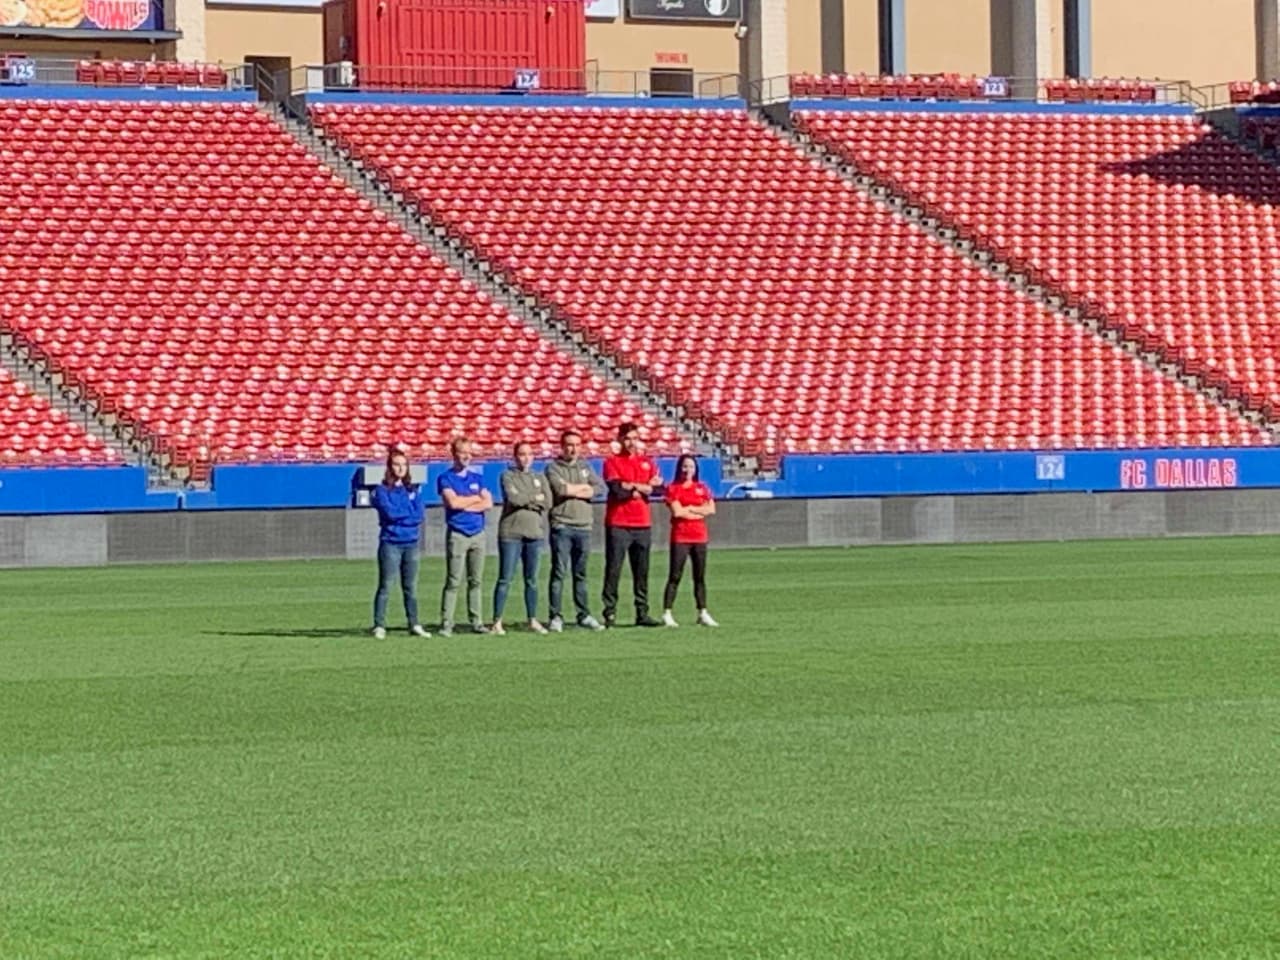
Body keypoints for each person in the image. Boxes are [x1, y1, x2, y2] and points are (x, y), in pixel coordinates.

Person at [601, 421, 664, 628]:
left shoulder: (647, 462)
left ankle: (642, 612)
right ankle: (609, 612)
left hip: (642, 523)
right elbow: (618, 491)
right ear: (620, 440)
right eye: (627, 438)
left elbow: (658, 489)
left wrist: (633, 486)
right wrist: (641, 488)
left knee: (642, 570)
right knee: (614, 569)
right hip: (618, 523)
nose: (631, 442)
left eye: (634, 438)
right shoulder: (612, 462)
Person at [544, 429, 607, 632]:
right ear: (562, 446)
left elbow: (599, 488)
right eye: (569, 444)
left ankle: (584, 614)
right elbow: (561, 490)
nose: (573, 449)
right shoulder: (553, 468)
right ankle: (556, 615)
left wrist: (576, 489)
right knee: (559, 572)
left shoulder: (586, 467)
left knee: (580, 574)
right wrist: (583, 489)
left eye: (577, 445)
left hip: (584, 526)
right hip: (562, 525)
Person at [370, 448, 431, 640]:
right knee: (386, 585)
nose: (401, 468)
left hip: (411, 543)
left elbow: (419, 515)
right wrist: (406, 515)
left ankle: (414, 623)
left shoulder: (412, 490)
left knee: (410, 587)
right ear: (389, 467)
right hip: (391, 544)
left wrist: (404, 516)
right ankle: (379, 625)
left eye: (404, 465)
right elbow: (390, 513)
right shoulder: (381, 491)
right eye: (397, 464)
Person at [492, 441, 550, 635]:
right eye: (521, 454)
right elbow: (514, 499)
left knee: (531, 579)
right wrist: (535, 498)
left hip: (534, 533)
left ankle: (532, 619)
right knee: (505, 578)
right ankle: (497, 621)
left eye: (528, 454)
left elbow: (548, 500)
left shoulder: (539, 476)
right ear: (515, 457)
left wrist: (529, 498)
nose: (525, 458)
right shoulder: (507, 475)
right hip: (511, 533)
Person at [437, 436, 493, 636]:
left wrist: (467, 502)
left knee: (476, 580)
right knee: (454, 580)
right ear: (454, 454)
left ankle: (476, 620)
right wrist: (474, 500)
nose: (467, 456)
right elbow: (453, 504)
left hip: (478, 533)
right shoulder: (446, 478)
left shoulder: (477, 478)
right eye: (463, 451)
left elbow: (487, 503)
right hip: (458, 533)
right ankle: (446, 622)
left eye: (469, 451)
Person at [660, 454, 719, 628]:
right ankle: (667, 612)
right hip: (680, 536)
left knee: (699, 577)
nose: (688, 470)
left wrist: (691, 508)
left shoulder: (702, 487)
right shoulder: (673, 488)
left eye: (691, 467)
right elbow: (677, 512)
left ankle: (702, 612)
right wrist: (698, 511)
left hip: (699, 536)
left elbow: (711, 509)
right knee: (675, 576)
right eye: (685, 466)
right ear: (680, 468)